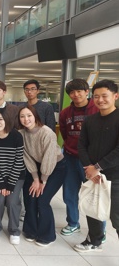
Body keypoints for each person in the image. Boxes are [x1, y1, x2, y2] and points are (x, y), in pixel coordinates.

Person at [75, 79, 119, 252]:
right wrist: (89, 167)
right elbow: (82, 145)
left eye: (104, 96)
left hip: (115, 176)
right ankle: (95, 240)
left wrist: (97, 167)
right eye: (96, 96)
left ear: (115, 96)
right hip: (92, 174)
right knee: (92, 209)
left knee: (116, 216)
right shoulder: (90, 120)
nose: (100, 100)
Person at [18, 104, 66, 247]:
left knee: (42, 200)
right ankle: (31, 230)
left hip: (55, 167)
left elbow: (49, 158)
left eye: (29, 116)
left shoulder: (47, 132)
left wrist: (42, 181)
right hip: (36, 168)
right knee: (30, 197)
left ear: (35, 116)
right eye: (22, 116)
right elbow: (26, 157)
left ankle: (48, 235)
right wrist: (35, 178)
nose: (26, 119)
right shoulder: (21, 134)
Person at [59, 79, 99, 237]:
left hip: (92, 161)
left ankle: (97, 231)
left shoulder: (96, 109)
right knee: (69, 193)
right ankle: (73, 223)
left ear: (86, 91)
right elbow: (64, 133)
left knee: (94, 195)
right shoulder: (65, 113)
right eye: (72, 93)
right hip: (70, 158)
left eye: (79, 91)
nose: (76, 95)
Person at [0, 108, 25, 245]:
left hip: (16, 176)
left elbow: (18, 161)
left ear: (7, 120)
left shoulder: (17, 136)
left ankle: (14, 230)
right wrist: (1, 183)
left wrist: (10, 184)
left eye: (1, 119)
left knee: (12, 201)